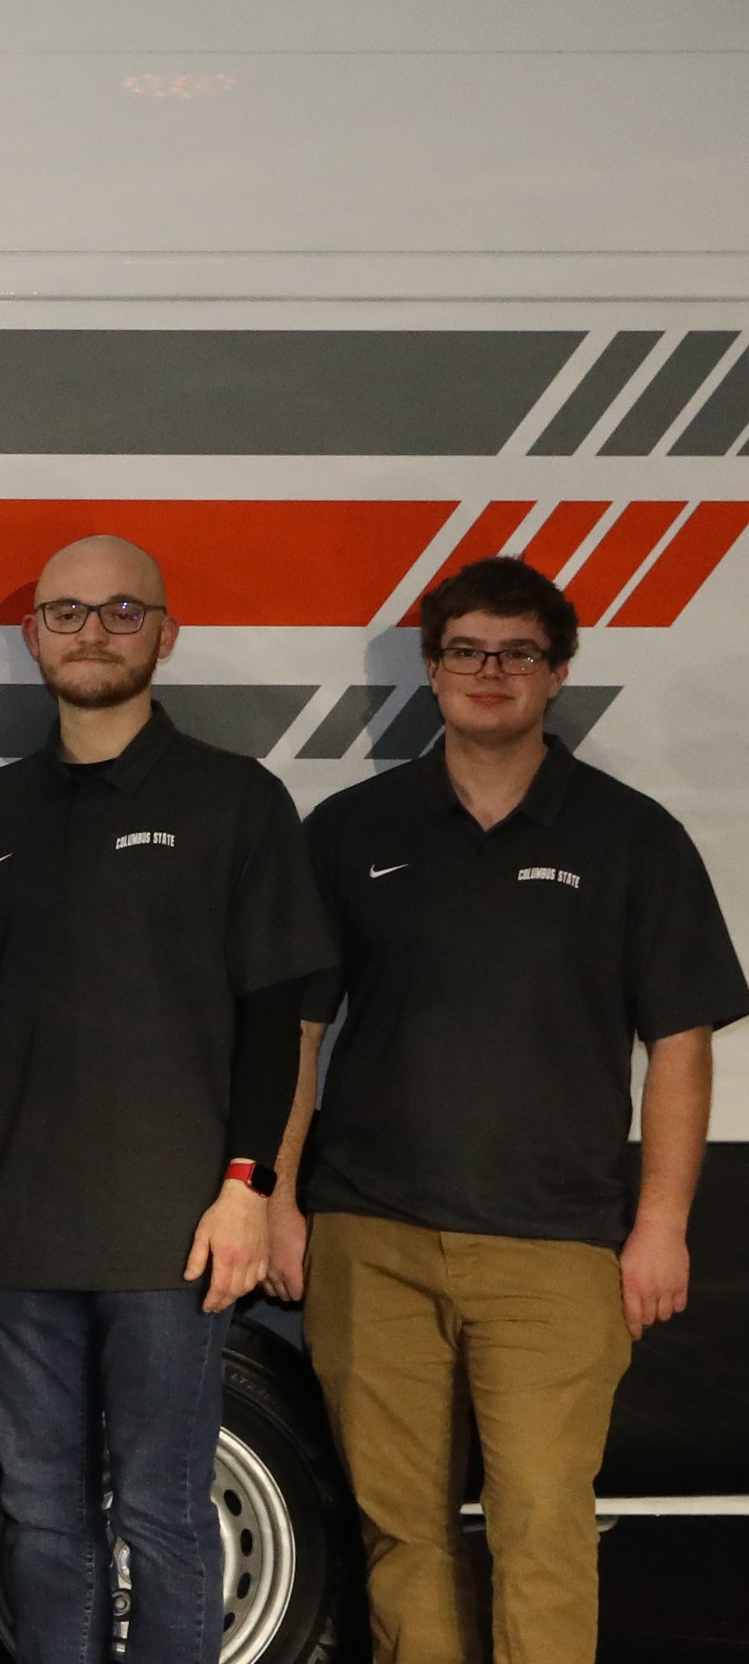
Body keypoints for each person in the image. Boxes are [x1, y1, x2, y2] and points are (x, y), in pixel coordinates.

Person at [276, 556, 744, 1664]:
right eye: (464, 652)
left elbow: (679, 1042)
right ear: (431, 671)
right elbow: (295, 1034)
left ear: (557, 672)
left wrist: (662, 1224)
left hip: (557, 1250)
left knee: (542, 1525)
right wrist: (281, 1199)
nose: (489, 674)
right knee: (403, 1535)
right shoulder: (349, 831)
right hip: (369, 1239)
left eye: (516, 654)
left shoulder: (632, 839)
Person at [0, 537, 331, 1664]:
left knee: (163, 1522)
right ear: (32, 638)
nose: (90, 633)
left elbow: (275, 1022)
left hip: (174, 1242)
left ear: (165, 630)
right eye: (65, 614)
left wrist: (248, 1186)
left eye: (118, 611)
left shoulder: (235, 802)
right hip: (17, 1239)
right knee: (46, 1522)